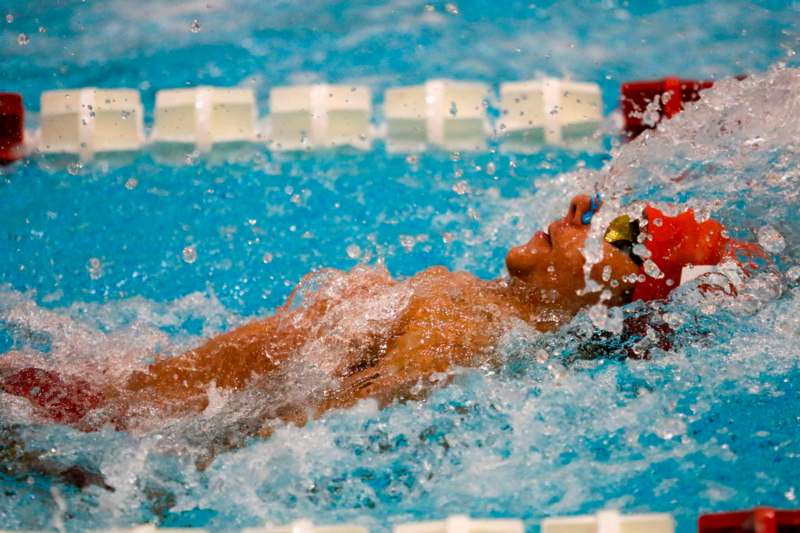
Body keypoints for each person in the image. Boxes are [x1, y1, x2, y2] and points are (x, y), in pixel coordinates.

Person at [0, 194, 758, 441]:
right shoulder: (476, 303)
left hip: (106, 427)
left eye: (614, 235)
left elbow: (327, 420)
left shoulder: (464, 329)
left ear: (610, 293)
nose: (578, 214)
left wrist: (165, 458)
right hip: (114, 401)